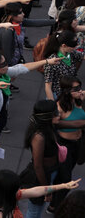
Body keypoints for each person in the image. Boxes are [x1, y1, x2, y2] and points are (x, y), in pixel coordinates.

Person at [0, 53, 64, 206]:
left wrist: (46, 61)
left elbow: (22, 68)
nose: (7, 65)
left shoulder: (1, 76)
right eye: (4, 63)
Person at [0, 170, 79, 218]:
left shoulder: (7, 197)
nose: (19, 189)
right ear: (9, 190)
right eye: (16, 188)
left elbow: (37, 191)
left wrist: (64, 186)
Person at [51, 77, 85, 211]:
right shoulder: (59, 106)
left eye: (80, 87)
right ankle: (55, 205)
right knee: (66, 178)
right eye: (76, 89)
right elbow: (55, 124)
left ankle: (55, 197)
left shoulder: (79, 99)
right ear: (66, 91)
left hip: (78, 143)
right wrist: (80, 124)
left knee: (66, 172)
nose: (80, 90)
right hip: (64, 145)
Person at [43, 30, 84, 100]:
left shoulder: (71, 53)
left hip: (70, 93)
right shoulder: (52, 61)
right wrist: (52, 105)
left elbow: (82, 56)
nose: (75, 48)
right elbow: (48, 86)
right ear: (64, 45)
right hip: (58, 96)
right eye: (73, 46)